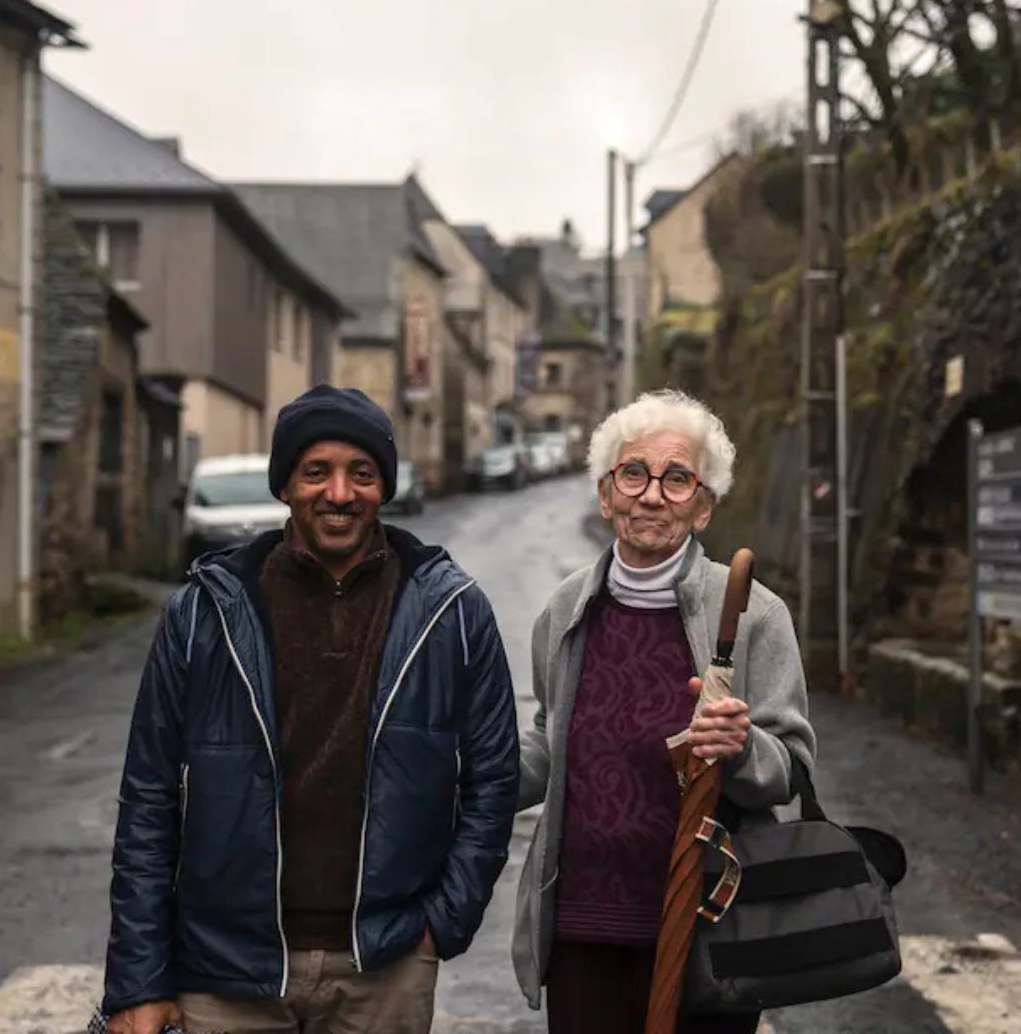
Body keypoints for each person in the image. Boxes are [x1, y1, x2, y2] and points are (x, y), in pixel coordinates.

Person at [104, 385, 519, 1034]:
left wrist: (444, 921)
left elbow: (493, 781)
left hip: (384, 967)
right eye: (315, 471)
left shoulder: (452, 610)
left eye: (361, 473)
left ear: (384, 485)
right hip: (224, 973)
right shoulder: (204, 613)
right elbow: (149, 799)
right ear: (285, 486)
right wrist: (137, 980)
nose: (339, 493)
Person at [512, 389, 815, 1034]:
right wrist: (464, 774)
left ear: (703, 508)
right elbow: (550, 741)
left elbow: (788, 769)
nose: (652, 495)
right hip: (584, 923)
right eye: (634, 474)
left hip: (708, 922)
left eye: (678, 479)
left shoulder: (754, 613)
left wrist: (741, 745)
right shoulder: (567, 609)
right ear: (605, 495)